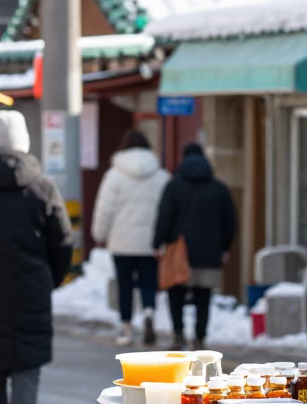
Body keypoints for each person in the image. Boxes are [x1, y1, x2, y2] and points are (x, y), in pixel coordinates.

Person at [0, 110, 73, 404]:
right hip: (30, 289)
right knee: (27, 365)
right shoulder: (43, 187)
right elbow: (63, 241)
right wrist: (51, 278)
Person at [153, 141, 236, 350]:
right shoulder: (219, 189)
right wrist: (225, 247)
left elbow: (164, 216)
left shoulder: (173, 186)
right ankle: (199, 338)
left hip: (179, 252)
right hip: (210, 252)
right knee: (203, 297)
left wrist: (157, 242)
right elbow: (230, 222)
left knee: (175, 294)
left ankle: (178, 335)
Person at [90, 128, 169, 346]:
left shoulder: (114, 175)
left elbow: (104, 208)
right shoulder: (161, 176)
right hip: (150, 241)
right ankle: (149, 312)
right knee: (148, 282)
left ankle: (126, 327)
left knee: (124, 284)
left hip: (121, 240)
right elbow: (168, 209)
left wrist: (99, 233)